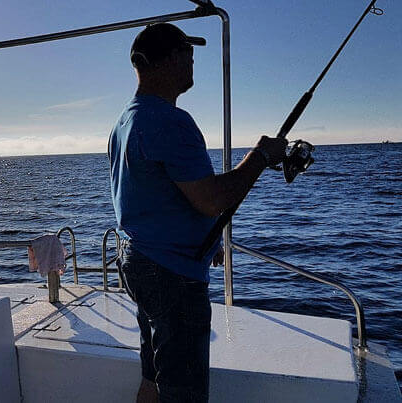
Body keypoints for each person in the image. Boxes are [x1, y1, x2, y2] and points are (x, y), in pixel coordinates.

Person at [108, 23, 288, 402]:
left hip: (138, 263)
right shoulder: (170, 121)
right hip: (172, 277)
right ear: (173, 58)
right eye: (189, 53)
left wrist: (205, 240)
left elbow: (155, 196)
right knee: (184, 393)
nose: (193, 61)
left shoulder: (126, 120)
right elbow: (211, 199)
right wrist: (261, 156)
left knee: (154, 377)